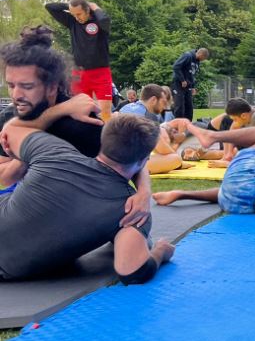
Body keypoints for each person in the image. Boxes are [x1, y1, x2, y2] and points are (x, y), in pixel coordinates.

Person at [0, 110, 172, 283]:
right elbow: (132, 271)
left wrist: (68, 106)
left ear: (102, 142)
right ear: (144, 160)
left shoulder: (54, 151)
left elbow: (12, 128)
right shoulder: (132, 209)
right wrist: (160, 252)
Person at [0, 27, 150, 216]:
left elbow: (134, 159)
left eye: (27, 86)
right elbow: (5, 177)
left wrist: (144, 193)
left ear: (52, 87)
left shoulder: (82, 121)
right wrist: (27, 151)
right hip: (35, 207)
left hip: (83, 210)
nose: (16, 95)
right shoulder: (9, 117)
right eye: (11, 85)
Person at [44, 0, 113, 121]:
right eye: (73, 14)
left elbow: (105, 19)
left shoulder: (100, 22)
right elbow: (50, 7)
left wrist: (94, 6)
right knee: (79, 113)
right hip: (79, 75)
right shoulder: (72, 22)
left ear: (87, 10)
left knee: (105, 114)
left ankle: (104, 139)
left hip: (101, 73)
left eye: (79, 14)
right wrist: (70, 7)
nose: (77, 17)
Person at [171, 48, 209, 121]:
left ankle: (188, 125)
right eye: (203, 58)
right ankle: (177, 125)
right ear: (201, 54)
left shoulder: (197, 61)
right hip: (178, 84)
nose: (203, 60)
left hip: (188, 86)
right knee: (180, 106)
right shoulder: (188, 56)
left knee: (189, 107)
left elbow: (192, 75)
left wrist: (193, 87)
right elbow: (176, 67)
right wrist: (182, 80)